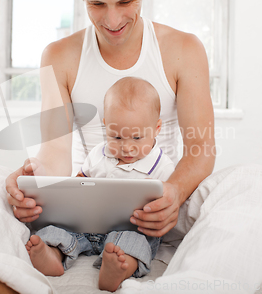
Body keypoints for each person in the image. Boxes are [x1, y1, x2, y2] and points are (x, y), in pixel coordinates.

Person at [0, 0, 215, 292]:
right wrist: (32, 179)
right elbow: (55, 153)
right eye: (97, 4)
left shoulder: (184, 49)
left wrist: (174, 193)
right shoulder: (59, 55)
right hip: (87, 200)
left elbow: (201, 151)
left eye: (125, 2)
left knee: (252, 183)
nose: (113, 20)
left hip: (162, 201)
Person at [26, 77, 175, 292]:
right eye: (116, 137)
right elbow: (80, 179)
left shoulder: (162, 166)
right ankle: (51, 255)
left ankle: (118, 268)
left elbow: (169, 204)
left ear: (157, 128)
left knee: (136, 243)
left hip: (130, 230)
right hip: (87, 228)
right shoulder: (98, 154)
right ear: (106, 125)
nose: (127, 148)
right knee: (56, 229)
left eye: (136, 138)